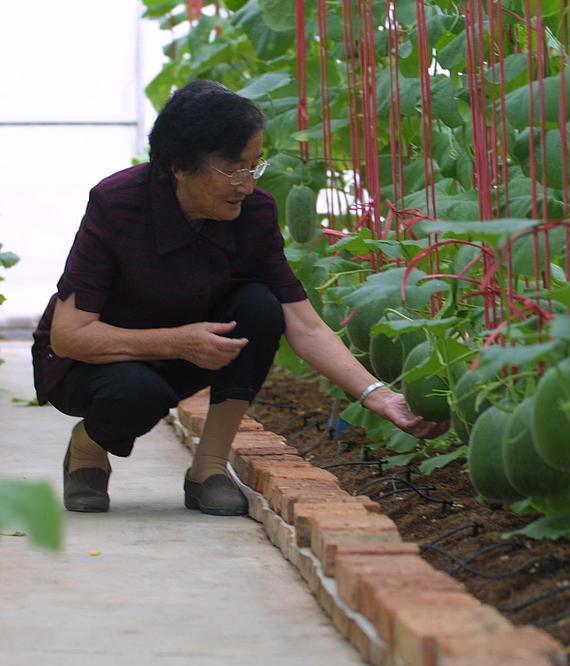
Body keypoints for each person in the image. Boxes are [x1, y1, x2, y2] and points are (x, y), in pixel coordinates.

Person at [31, 80, 446, 517]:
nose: (246, 185)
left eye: (254, 166)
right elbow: (70, 336)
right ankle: (88, 447)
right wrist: (177, 342)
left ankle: (209, 467)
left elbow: (302, 323)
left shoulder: (255, 213)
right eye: (233, 170)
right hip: (90, 366)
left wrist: (380, 396)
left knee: (260, 305)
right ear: (179, 166)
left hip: (188, 353)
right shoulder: (117, 203)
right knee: (137, 394)